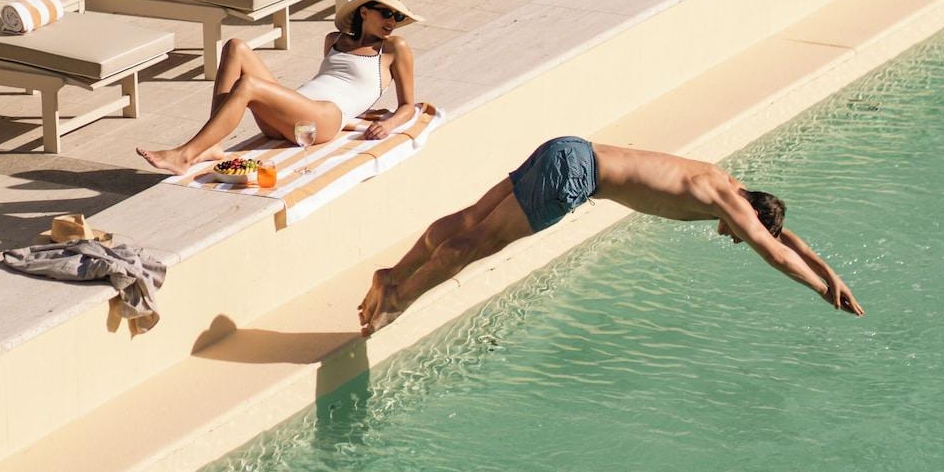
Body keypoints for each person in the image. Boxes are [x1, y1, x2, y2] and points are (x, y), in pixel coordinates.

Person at [359, 134, 861, 335]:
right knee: (479, 242)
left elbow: (782, 235)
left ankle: (391, 275)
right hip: (577, 179)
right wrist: (820, 292)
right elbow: (773, 252)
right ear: (749, 215)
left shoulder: (727, 183)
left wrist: (832, 272)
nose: (734, 238)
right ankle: (398, 300)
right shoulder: (731, 204)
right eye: (741, 234)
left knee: (468, 219)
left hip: (570, 147)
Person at [137, 0, 419, 177]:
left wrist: (389, 124)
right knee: (235, 46)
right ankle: (213, 145)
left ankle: (184, 155)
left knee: (248, 85)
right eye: (386, 13)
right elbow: (329, 80)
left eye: (396, 16)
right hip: (293, 116)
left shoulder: (395, 48)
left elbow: (408, 105)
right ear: (365, 11)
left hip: (323, 120)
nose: (392, 22)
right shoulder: (334, 39)